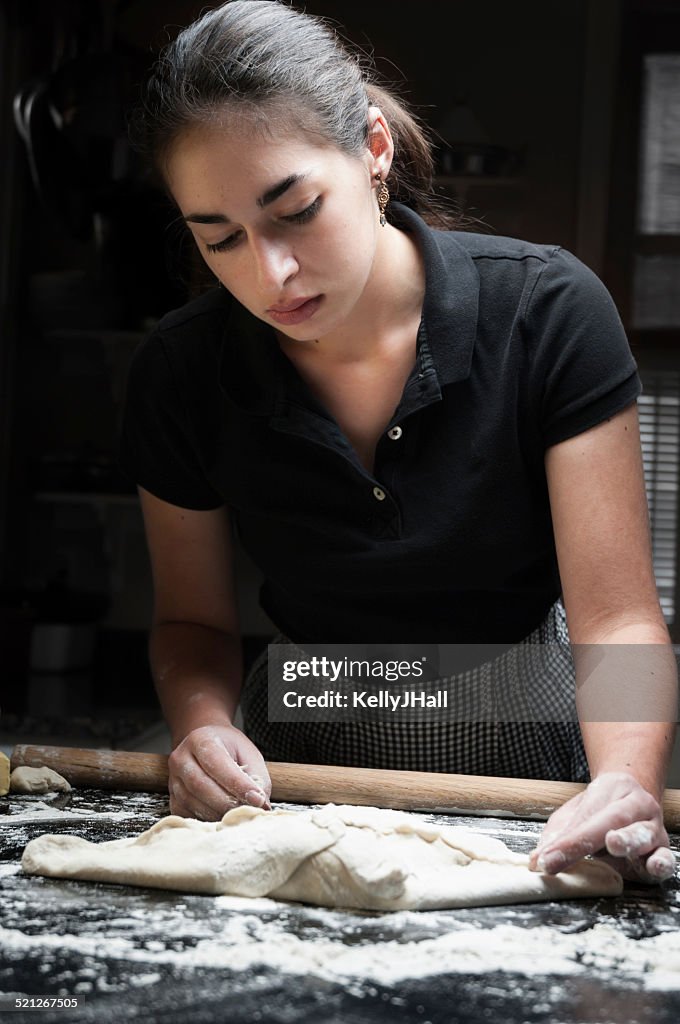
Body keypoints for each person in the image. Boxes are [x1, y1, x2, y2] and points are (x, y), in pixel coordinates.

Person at [120, 0, 677, 883]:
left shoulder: (548, 314)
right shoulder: (181, 372)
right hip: (298, 764)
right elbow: (191, 621)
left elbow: (618, 621)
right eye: (219, 237)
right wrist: (202, 724)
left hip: (524, 750)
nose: (270, 274)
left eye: (296, 211)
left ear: (374, 151)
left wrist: (625, 776)